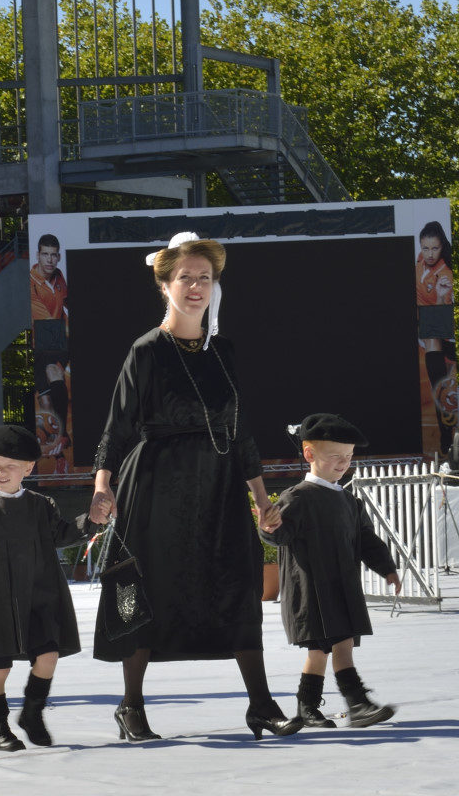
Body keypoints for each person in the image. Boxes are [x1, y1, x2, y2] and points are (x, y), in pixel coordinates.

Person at [87, 232, 300, 741]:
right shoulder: (146, 350)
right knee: (145, 590)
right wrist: (101, 486)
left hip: (219, 487)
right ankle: (131, 707)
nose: (196, 286)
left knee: (237, 584)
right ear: (165, 284)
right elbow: (116, 428)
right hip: (155, 487)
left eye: (205, 277)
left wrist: (262, 498)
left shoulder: (223, 351)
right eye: (185, 277)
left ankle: (261, 704)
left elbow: (240, 431)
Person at [0, 425, 93, 751]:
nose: (1, 471)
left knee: (48, 655)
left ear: (29, 468)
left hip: (38, 593)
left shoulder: (40, 504)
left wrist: (92, 521)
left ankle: (32, 713)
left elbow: (63, 534)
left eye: (10, 465)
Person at [262, 413, 402, 728]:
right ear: (309, 454)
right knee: (338, 644)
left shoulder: (349, 501)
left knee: (322, 650)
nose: (344, 463)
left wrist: (387, 568)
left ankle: (308, 707)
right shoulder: (297, 497)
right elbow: (279, 534)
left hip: (341, 587)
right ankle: (357, 703)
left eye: (349, 456)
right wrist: (268, 528)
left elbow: (366, 539)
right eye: (335, 456)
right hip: (312, 590)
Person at [415, 221, 455, 455]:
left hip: (438, 323)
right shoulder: (420, 260)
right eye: (426, 248)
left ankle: (447, 435)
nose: (430, 254)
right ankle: (445, 435)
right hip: (426, 324)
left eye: (435, 248)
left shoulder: (445, 274)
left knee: (442, 386)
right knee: (438, 384)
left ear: (442, 248)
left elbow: (442, 314)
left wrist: (440, 297)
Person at [29, 233, 68, 322]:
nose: (49, 260)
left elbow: (66, 301)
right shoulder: (30, 285)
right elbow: (49, 324)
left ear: (59, 257)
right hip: (47, 330)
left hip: (63, 328)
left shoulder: (58, 274)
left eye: (53, 255)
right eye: (45, 254)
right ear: (38, 256)